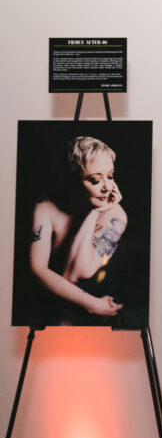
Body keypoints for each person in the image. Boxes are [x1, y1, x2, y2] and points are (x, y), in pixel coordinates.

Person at [29, 135, 126, 324]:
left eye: (110, 175)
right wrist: (91, 304)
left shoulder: (116, 216)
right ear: (74, 180)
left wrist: (95, 213)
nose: (107, 187)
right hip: (55, 304)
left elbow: (78, 272)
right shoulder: (46, 205)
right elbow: (39, 269)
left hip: (98, 301)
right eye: (95, 180)